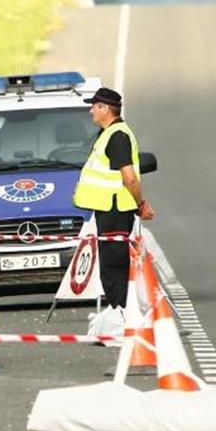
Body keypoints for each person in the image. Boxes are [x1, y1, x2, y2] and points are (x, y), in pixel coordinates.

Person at [72, 87, 155, 309]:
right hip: (110, 208)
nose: (91, 111)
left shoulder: (117, 136)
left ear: (105, 108)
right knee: (110, 263)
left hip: (115, 209)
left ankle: (122, 314)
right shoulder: (109, 133)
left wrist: (140, 203)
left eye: (94, 106)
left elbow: (130, 178)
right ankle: (120, 311)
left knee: (114, 265)